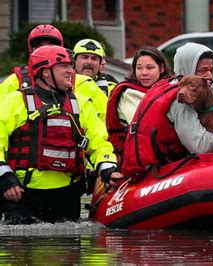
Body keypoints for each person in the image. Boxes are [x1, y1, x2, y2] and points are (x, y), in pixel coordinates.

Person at [0, 45, 122, 224]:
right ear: (45, 72)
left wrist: (107, 168)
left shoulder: (81, 103)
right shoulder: (13, 102)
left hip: (67, 195)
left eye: (70, 66)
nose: (70, 71)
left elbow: (99, 143)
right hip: (22, 194)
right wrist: (6, 179)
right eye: (63, 66)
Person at [121, 42, 213, 180]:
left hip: (163, 165)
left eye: (211, 71)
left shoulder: (171, 85)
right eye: (203, 71)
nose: (209, 76)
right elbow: (202, 148)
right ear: (187, 68)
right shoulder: (180, 100)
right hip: (158, 172)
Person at [106, 46, 172, 165]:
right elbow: (144, 127)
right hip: (133, 160)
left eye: (150, 68)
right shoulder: (128, 94)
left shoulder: (170, 89)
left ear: (161, 68)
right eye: (139, 68)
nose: (144, 73)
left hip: (165, 155)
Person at [0, 24, 63, 95]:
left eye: (50, 46)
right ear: (31, 50)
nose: (45, 50)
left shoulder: (73, 79)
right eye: (39, 47)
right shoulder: (15, 80)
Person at [72, 39, 110, 122]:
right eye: (84, 57)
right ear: (74, 60)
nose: (89, 62)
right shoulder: (62, 86)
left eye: (94, 58)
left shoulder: (112, 89)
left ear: (100, 64)